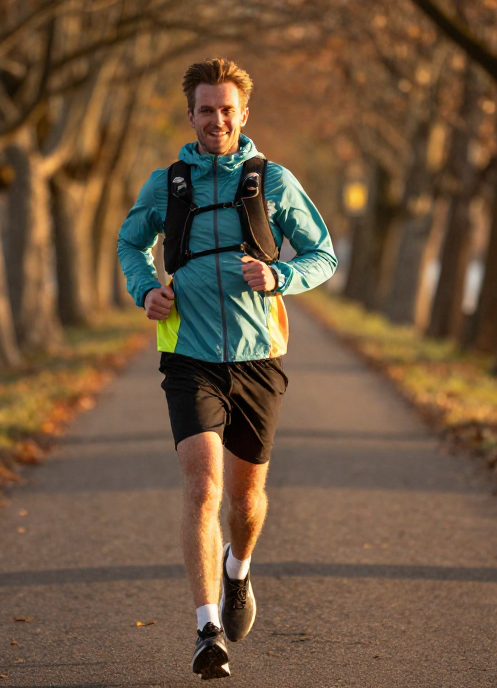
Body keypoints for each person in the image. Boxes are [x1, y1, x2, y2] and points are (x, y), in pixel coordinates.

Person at [117, 58, 337, 679]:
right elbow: (130, 242)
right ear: (191, 116)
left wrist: (281, 276)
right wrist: (145, 289)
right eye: (206, 109)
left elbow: (324, 253)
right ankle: (207, 627)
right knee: (203, 487)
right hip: (188, 357)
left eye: (227, 109)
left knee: (245, 498)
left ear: (244, 115)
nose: (217, 119)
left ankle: (238, 571)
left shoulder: (274, 182)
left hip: (259, 359)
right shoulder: (168, 185)